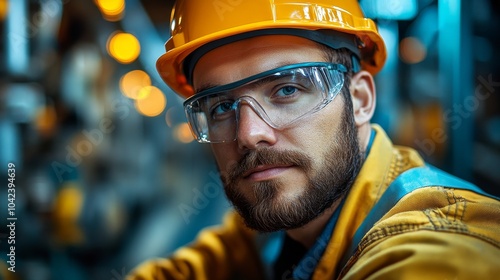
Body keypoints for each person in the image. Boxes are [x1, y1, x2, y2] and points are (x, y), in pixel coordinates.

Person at [128, 0, 500, 279]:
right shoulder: (277, 226)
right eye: (222, 107)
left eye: (287, 89)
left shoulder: (435, 247)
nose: (248, 134)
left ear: (360, 100)